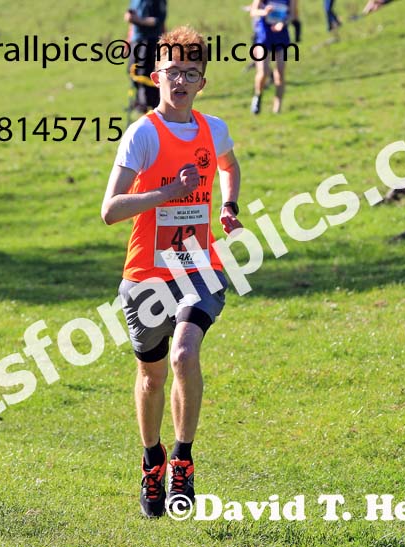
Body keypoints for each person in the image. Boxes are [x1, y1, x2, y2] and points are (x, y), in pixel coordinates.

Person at [101, 25, 242, 518]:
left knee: (185, 353)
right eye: (172, 71)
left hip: (197, 267)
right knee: (151, 376)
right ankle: (152, 460)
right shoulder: (142, 134)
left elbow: (229, 164)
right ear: (155, 74)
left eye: (191, 72)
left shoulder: (213, 129)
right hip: (145, 273)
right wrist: (165, 194)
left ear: (202, 81)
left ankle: (183, 460)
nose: (180, 80)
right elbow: (110, 210)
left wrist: (229, 205)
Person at [249, 0, 299, 114]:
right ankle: (257, 97)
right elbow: (253, 11)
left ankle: (277, 108)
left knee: (280, 73)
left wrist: (283, 22)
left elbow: (293, 15)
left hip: (281, 34)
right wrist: (264, 12)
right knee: (263, 71)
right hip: (264, 34)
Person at [125, 1, 167, 114]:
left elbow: (158, 21)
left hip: (151, 40)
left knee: (146, 73)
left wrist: (138, 20)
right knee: (132, 71)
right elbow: (132, 22)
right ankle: (140, 102)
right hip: (136, 40)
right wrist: (128, 41)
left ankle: (152, 104)